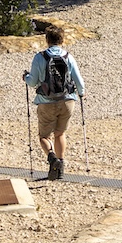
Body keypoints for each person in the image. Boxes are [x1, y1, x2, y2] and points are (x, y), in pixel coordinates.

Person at [23, 25, 85, 180]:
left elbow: (32, 82)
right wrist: (81, 94)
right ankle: (61, 168)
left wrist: (25, 77)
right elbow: (79, 82)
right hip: (67, 100)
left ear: (47, 40)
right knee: (60, 134)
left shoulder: (40, 57)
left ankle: (52, 158)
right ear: (62, 40)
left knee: (44, 136)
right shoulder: (68, 57)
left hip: (46, 101)